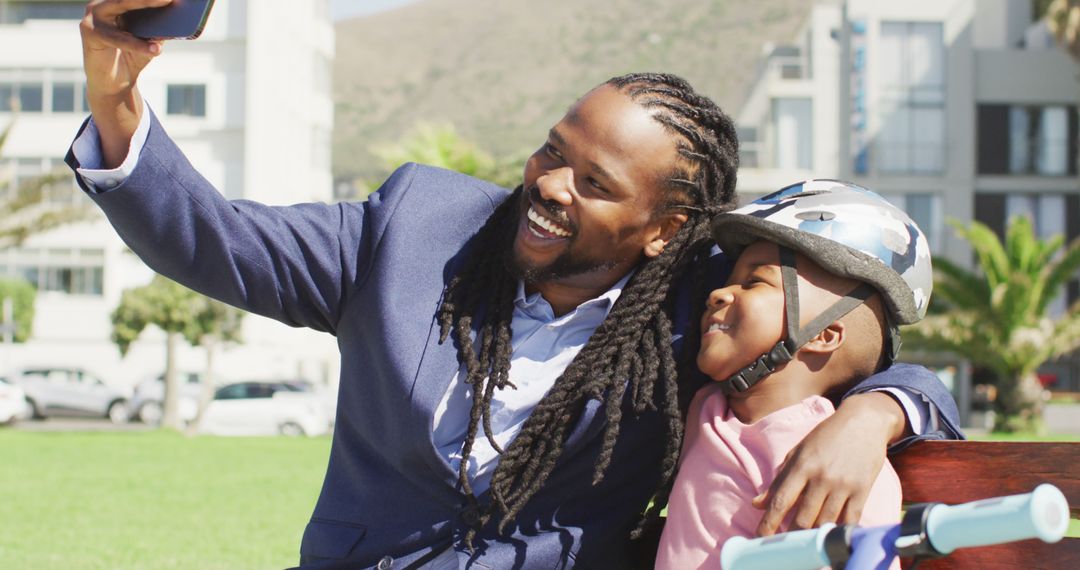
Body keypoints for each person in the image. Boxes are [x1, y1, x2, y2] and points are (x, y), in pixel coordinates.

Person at [70, 2, 962, 567]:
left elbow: (870, 349)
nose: (547, 184)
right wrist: (116, 98)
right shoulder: (413, 227)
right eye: (552, 151)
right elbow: (214, 241)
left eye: (595, 184)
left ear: (666, 232)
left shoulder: (698, 308)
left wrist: (875, 416)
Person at [656, 180, 933, 569]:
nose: (717, 295)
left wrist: (875, 416)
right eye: (727, 282)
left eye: (754, 282)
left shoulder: (827, 456)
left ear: (823, 334)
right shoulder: (707, 406)